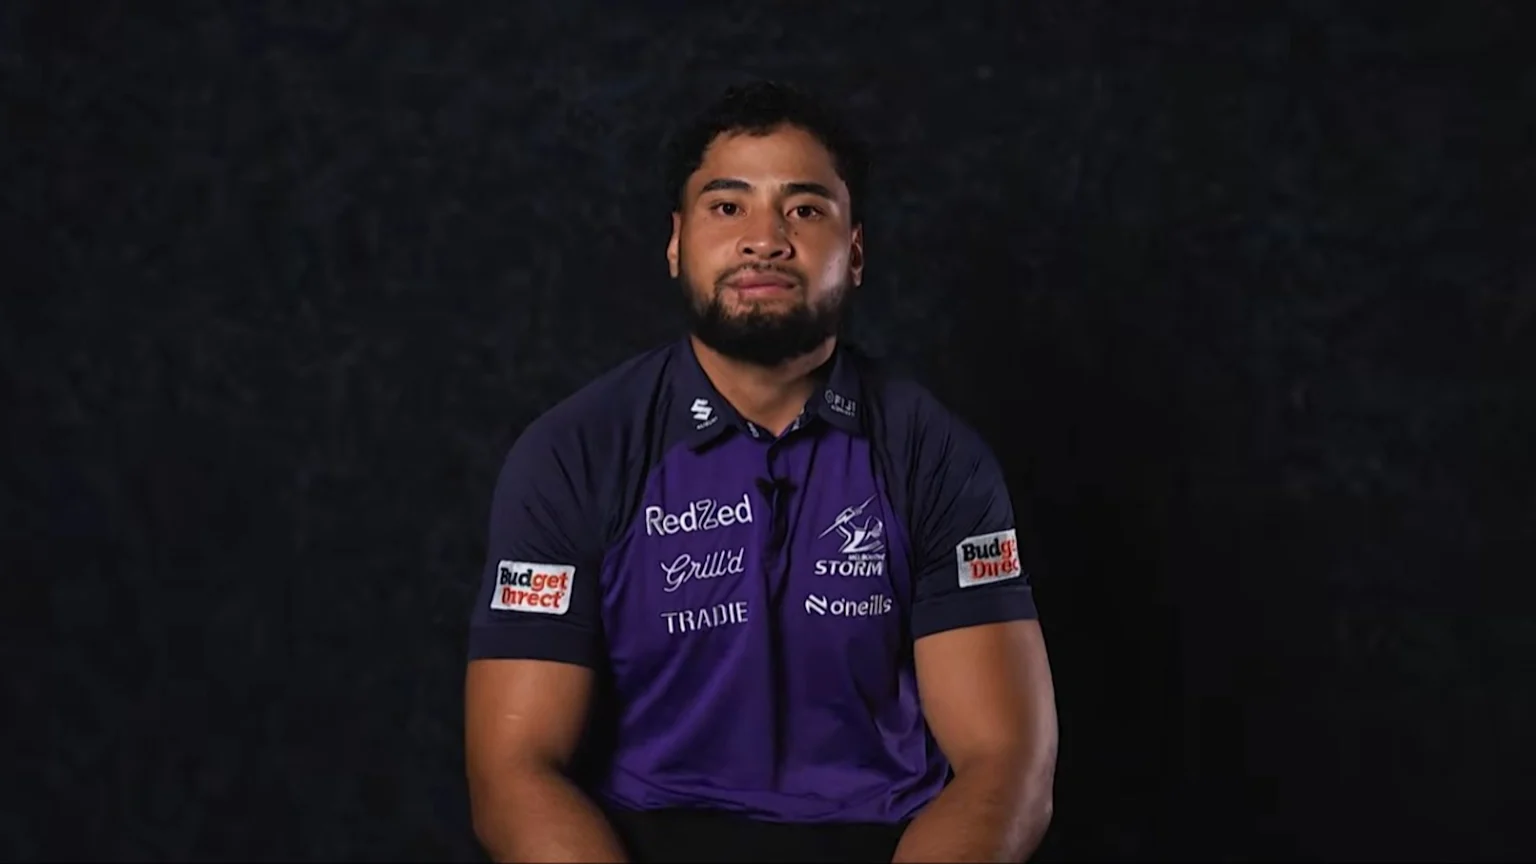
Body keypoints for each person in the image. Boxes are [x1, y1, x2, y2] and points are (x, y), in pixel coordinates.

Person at [464, 80, 1058, 863]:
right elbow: (513, 771)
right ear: (676, 242)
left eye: (805, 209)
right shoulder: (575, 450)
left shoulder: (934, 454)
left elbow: (1005, 765)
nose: (765, 240)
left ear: (854, 251)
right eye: (727, 206)